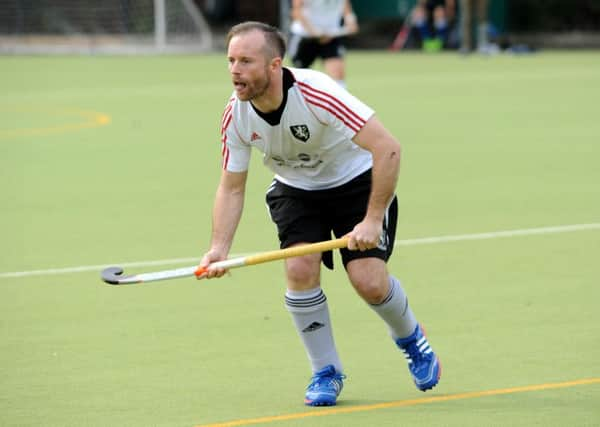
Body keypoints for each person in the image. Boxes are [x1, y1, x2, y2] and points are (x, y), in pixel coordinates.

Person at [199, 21, 441, 407]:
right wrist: (218, 247)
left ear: (274, 65)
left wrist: (372, 219)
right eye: (230, 60)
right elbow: (231, 186)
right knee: (299, 269)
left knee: (369, 281)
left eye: (245, 61)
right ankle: (325, 370)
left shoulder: (318, 93)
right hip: (296, 190)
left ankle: (411, 337)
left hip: (357, 181)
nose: (234, 70)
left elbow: (389, 148)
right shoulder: (236, 116)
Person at [287, 0, 358, 88]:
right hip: (304, 37)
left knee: (338, 76)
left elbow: (345, 5)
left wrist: (351, 20)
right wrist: (314, 32)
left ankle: (337, 101)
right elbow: (296, 11)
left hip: (331, 37)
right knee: (300, 78)